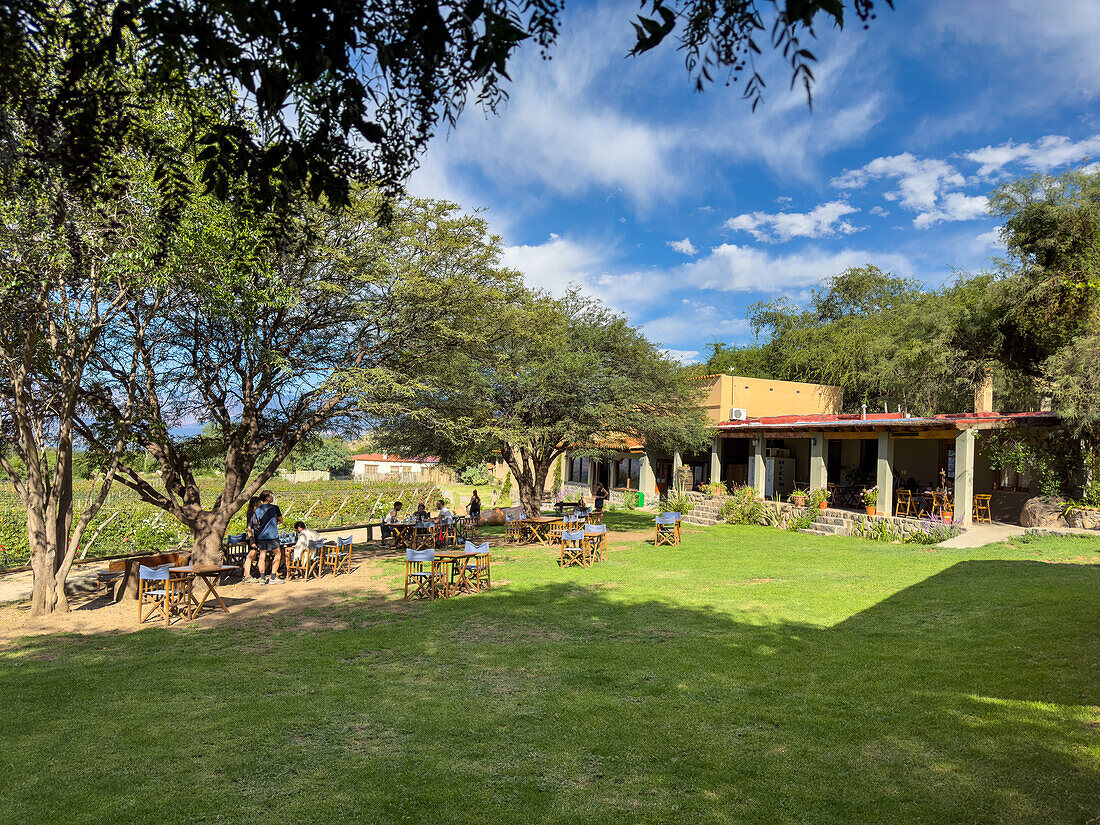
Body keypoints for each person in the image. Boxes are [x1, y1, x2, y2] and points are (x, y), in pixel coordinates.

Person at [249, 490, 284, 584]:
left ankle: (262, 579)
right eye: (271, 496)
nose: (273, 497)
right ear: (267, 498)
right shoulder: (275, 508)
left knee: (262, 556)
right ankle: (273, 577)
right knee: (277, 554)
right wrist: (275, 522)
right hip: (272, 535)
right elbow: (281, 520)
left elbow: (255, 523)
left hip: (262, 536)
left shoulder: (257, 510)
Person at [241, 496, 262, 582]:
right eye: (259, 502)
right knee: (251, 555)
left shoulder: (256, 512)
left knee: (253, 555)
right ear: (256, 502)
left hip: (256, 535)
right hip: (252, 536)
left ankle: (246, 574)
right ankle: (247, 576)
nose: (260, 503)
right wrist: (251, 539)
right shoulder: (251, 513)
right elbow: (249, 527)